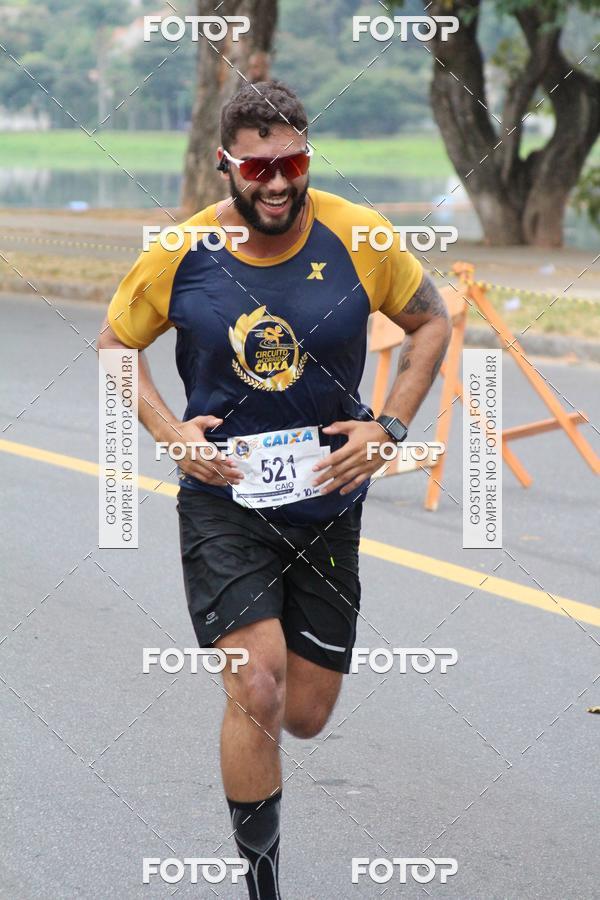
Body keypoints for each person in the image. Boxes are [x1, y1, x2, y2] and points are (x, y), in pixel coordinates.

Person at [98, 80, 451, 899]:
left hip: (328, 501)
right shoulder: (182, 250)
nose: (278, 182)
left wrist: (389, 428)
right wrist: (172, 433)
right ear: (227, 167)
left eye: (291, 161)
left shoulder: (359, 233)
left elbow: (430, 321)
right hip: (226, 504)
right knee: (256, 683)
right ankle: (264, 887)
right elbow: (119, 344)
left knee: (306, 711)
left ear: (306, 156)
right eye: (257, 168)